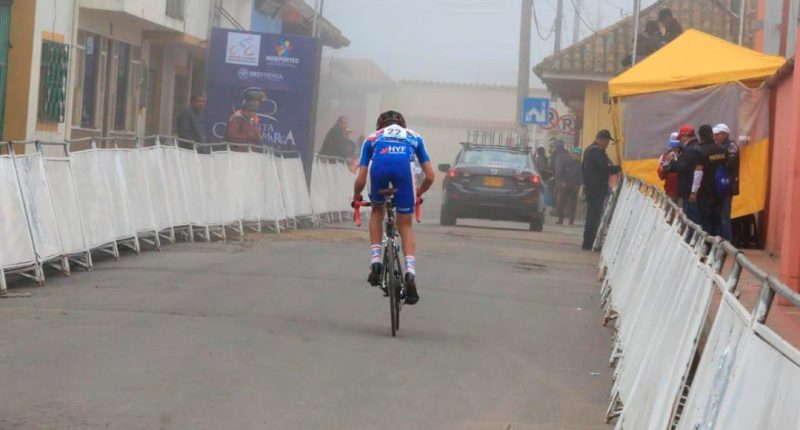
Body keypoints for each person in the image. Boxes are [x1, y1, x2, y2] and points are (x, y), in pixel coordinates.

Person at [352, 111, 435, 305]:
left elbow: (361, 179)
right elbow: (430, 176)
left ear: (379, 126)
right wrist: (418, 193)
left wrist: (356, 197)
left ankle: (376, 262)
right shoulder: (415, 137)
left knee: (377, 210)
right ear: (403, 125)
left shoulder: (372, 138)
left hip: (379, 169)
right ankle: (410, 273)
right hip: (404, 171)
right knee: (405, 225)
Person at [582, 130, 621, 250]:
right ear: (602, 140)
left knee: (592, 215)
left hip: (591, 187)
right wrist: (618, 168)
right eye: (607, 142)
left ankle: (588, 241)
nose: (607, 144)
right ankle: (589, 242)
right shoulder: (596, 151)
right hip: (596, 189)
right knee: (594, 216)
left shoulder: (589, 149)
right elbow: (604, 168)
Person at [694, 124, 728, 235]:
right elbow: (726, 167)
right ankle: (719, 242)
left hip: (705, 190)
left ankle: (707, 243)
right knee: (717, 218)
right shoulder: (723, 149)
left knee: (705, 219)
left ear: (701, 136)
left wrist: (694, 191)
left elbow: (698, 172)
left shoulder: (700, 151)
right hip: (720, 189)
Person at [667, 125, 703, 225]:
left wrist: (672, 162)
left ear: (686, 136)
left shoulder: (688, 150)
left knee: (691, 219)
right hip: (699, 189)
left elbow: (681, 167)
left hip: (688, 188)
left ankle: (691, 234)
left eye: (681, 138)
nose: (680, 141)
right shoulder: (700, 146)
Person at [713, 123, 739, 242]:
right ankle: (719, 241)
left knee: (724, 215)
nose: (715, 137)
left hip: (727, 185)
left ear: (724, 134)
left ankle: (727, 241)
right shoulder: (719, 146)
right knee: (717, 215)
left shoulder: (731, 146)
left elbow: (731, 163)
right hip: (718, 186)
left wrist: (719, 160)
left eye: (717, 134)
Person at [556, 147, 583, 225]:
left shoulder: (580, 164)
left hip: (574, 186)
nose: (576, 155)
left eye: (578, 154)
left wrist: (578, 184)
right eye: (575, 154)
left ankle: (571, 220)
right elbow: (560, 172)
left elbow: (581, 176)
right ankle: (560, 219)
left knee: (572, 204)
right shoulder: (566, 162)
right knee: (561, 202)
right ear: (571, 154)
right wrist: (562, 182)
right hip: (565, 185)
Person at [657, 132, 681, 204]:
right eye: (673, 145)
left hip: (683, 192)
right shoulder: (666, 155)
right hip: (670, 191)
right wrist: (664, 168)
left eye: (677, 145)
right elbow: (661, 176)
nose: (675, 148)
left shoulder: (686, 154)